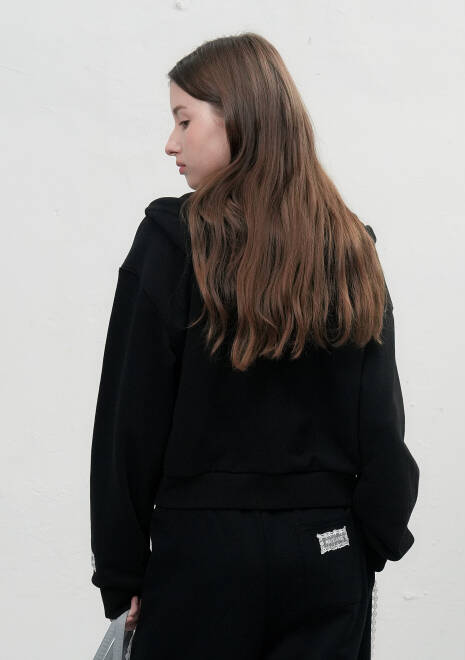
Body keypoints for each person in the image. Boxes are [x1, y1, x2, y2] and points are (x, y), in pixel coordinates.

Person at [89, 32, 419, 659]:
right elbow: (381, 423)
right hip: (327, 551)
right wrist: (368, 540)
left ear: (238, 116)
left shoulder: (171, 241)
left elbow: (128, 423)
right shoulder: (350, 247)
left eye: (184, 119)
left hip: (201, 558)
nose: (170, 143)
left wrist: (122, 571)